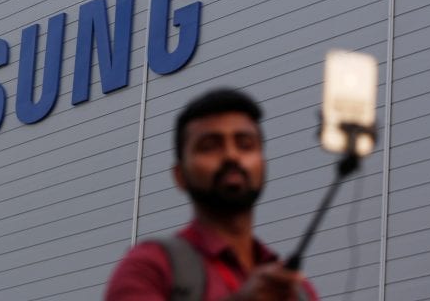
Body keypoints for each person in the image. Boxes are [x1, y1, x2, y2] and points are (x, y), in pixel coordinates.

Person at [105, 88, 319, 300]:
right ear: (180, 175)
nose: (231, 155)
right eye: (209, 147)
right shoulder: (149, 268)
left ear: (263, 166)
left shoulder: (298, 291)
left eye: (245, 145)